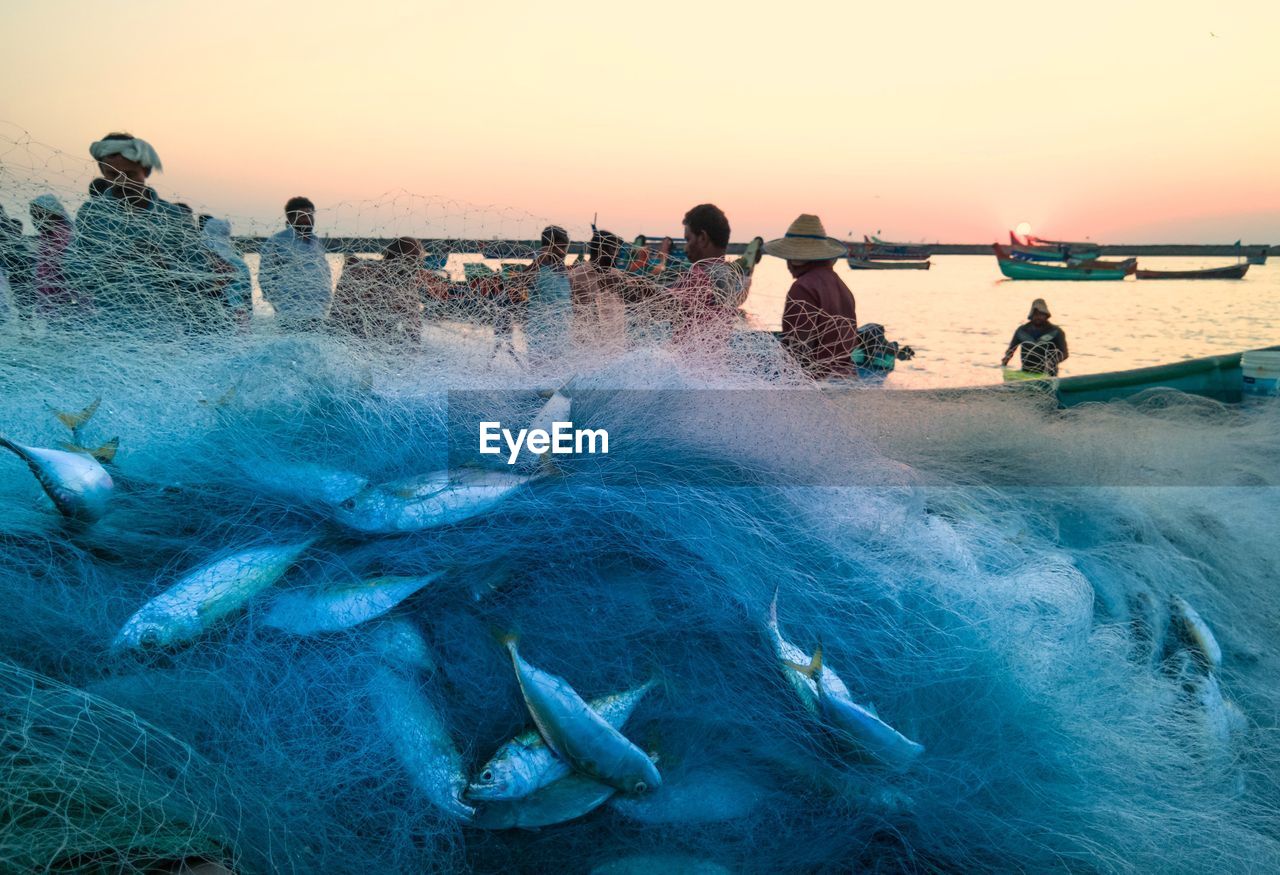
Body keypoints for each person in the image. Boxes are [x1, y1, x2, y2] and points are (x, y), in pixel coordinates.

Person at [67, 132, 217, 332]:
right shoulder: (92, 214)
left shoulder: (174, 217)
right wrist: (112, 263)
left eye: (130, 175)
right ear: (102, 171)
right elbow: (72, 270)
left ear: (145, 171)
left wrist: (164, 265)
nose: (121, 182)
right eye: (112, 175)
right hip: (108, 330)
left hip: (166, 331)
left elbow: (199, 273)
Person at [767, 214, 858, 379]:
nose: (787, 265)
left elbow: (799, 352)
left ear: (795, 259)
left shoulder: (802, 288)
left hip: (819, 387)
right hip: (847, 381)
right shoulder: (841, 286)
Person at [648, 203, 745, 351]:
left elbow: (657, 304)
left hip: (688, 365)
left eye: (688, 239)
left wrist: (623, 285)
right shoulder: (728, 275)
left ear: (703, 238)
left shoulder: (699, 276)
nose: (685, 248)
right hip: (714, 363)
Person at [329, 236, 427, 343]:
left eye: (419, 263)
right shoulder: (361, 273)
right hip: (348, 338)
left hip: (380, 342)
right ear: (392, 257)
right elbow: (338, 317)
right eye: (411, 261)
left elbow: (414, 332)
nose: (416, 268)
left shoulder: (408, 287)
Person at [258, 196, 333, 329]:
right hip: (289, 312)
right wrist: (278, 304)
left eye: (310, 216)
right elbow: (265, 275)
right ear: (291, 219)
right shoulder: (277, 241)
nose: (308, 220)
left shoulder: (316, 241)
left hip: (318, 311)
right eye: (303, 216)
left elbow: (324, 271)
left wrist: (326, 299)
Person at [511, 225, 572, 364]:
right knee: (541, 370)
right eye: (561, 247)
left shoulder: (562, 269)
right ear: (548, 247)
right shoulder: (538, 267)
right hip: (541, 333)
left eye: (566, 247)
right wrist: (539, 260)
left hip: (563, 333)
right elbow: (517, 282)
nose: (564, 252)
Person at [568, 229, 628, 355]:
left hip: (616, 346)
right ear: (600, 250)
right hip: (586, 346)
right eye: (613, 250)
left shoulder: (619, 276)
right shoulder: (577, 275)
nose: (616, 254)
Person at [29, 195, 81, 319]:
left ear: (50, 214)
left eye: (37, 215)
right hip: (51, 301)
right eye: (32, 216)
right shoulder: (46, 236)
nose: (34, 220)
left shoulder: (64, 235)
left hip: (66, 303)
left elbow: (66, 269)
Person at [200, 216, 253, 330]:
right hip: (236, 314)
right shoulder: (240, 263)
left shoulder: (200, 260)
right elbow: (247, 299)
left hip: (212, 314)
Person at [1001, 298, 1068, 375]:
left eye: (1041, 314)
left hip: (1048, 374)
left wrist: (1053, 361)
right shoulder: (1021, 331)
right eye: (1035, 314)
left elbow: (1065, 354)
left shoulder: (1056, 332)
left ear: (1046, 315)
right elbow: (1011, 350)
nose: (1038, 317)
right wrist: (1005, 360)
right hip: (1026, 374)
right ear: (1031, 315)